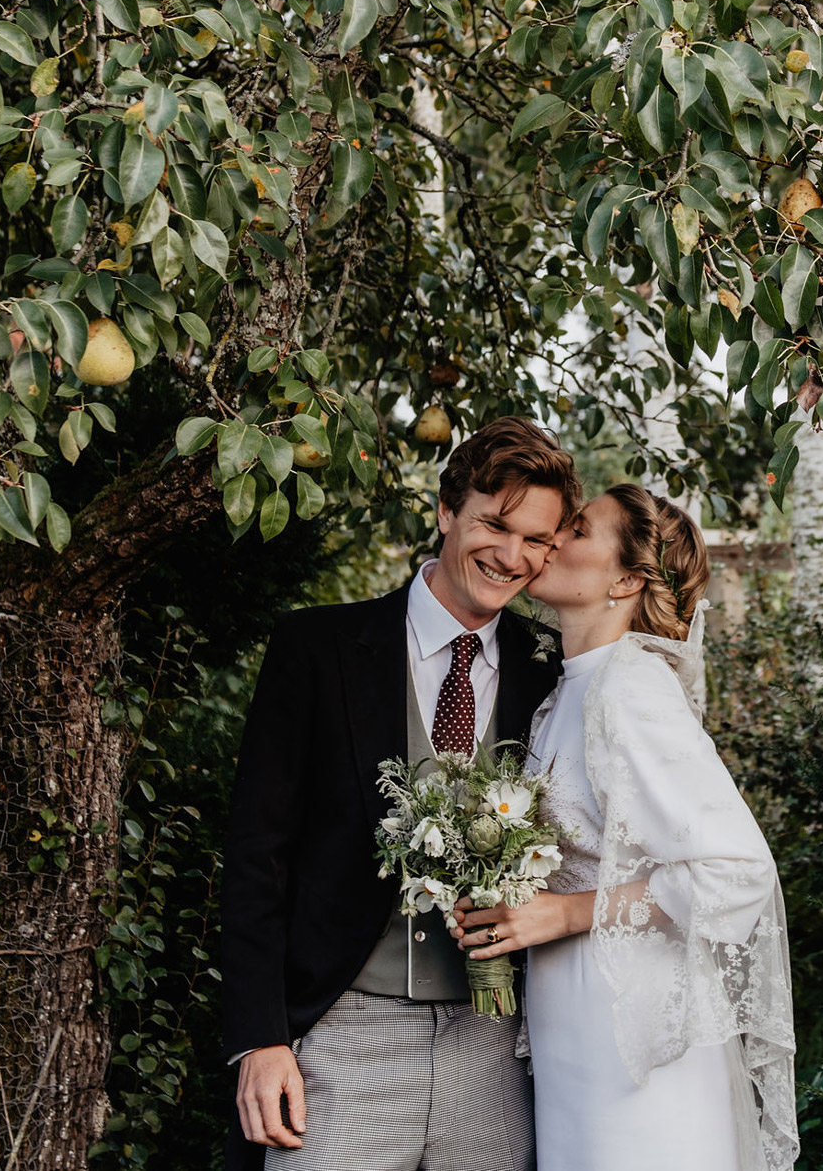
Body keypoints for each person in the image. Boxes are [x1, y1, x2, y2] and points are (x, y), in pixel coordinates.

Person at [222, 416, 581, 1171]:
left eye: (537, 540)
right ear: (448, 511)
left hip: (497, 1044)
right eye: (495, 524)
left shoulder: (553, 671)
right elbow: (258, 854)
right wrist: (261, 1037)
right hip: (342, 1032)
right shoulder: (315, 649)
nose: (511, 556)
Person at [451, 485, 799, 1171]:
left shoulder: (631, 689)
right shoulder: (566, 692)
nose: (550, 539)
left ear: (627, 579)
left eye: (576, 530)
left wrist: (569, 913)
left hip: (636, 1033)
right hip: (572, 1024)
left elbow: (739, 871)